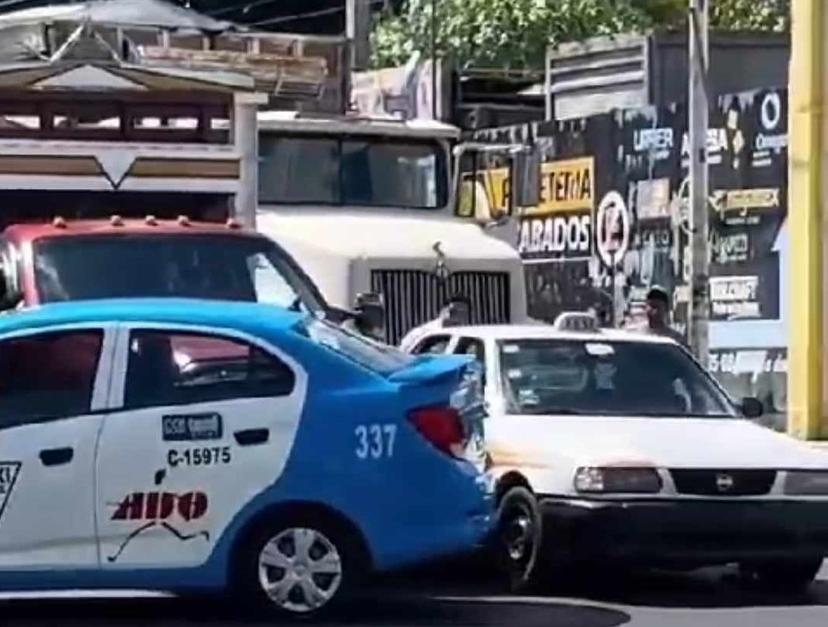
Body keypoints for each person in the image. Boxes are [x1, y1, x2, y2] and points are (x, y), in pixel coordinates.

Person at [399, 293, 471, 352]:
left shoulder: (466, 335)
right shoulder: (423, 333)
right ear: (443, 310)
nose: (456, 315)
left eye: (462, 312)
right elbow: (403, 353)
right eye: (453, 311)